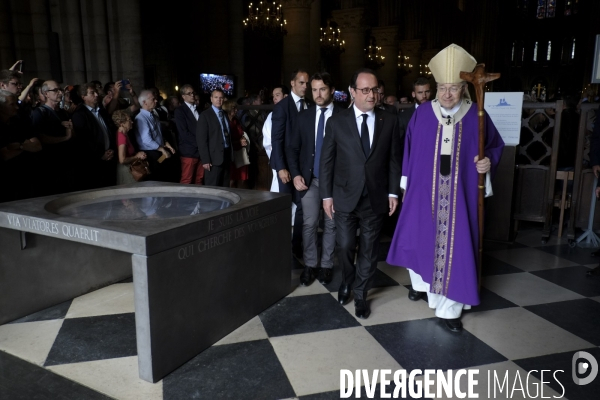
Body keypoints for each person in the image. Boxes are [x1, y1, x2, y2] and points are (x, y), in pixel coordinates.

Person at [386, 44, 505, 333]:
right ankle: (427, 290)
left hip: (460, 197)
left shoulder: (477, 115)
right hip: (424, 194)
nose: (447, 94)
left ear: (464, 89)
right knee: (422, 240)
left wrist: (487, 163)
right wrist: (405, 186)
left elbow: (493, 146)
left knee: (457, 248)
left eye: (453, 88)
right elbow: (410, 151)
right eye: (442, 88)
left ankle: (449, 310)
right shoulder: (423, 114)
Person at [320, 68, 401, 319]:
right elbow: (327, 162)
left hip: (375, 197)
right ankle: (347, 280)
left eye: (375, 89)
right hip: (344, 196)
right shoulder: (336, 122)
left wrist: (393, 192)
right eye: (365, 90)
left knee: (369, 249)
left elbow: (393, 161)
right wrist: (326, 196)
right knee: (344, 245)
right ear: (352, 92)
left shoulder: (389, 120)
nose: (372, 95)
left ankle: (361, 293)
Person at [287, 72, 341, 286]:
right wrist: (296, 174)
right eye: (314, 89)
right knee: (309, 224)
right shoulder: (304, 117)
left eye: (323, 89)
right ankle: (310, 264)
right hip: (310, 179)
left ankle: (326, 265)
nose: (318, 94)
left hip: (335, 182)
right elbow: (292, 149)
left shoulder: (344, 116)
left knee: (331, 224)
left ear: (332, 90)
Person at [271, 69, 313, 257]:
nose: (305, 86)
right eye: (302, 83)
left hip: (303, 165)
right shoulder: (282, 107)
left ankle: (297, 246)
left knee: (303, 207)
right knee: (285, 207)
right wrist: (281, 168)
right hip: (286, 166)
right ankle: (279, 245)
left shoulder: (310, 105)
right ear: (293, 83)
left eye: (307, 83)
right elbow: (277, 139)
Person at [71, 82, 117, 190]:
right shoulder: (80, 114)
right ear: (83, 96)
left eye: (96, 92)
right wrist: (101, 154)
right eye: (92, 93)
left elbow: (111, 131)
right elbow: (84, 140)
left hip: (109, 159)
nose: (96, 95)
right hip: (94, 163)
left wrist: (112, 149)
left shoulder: (102, 111)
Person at [134, 89, 176, 182]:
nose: (156, 101)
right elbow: (146, 140)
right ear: (144, 102)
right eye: (153, 99)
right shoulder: (141, 118)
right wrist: (161, 149)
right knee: (156, 180)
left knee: (164, 178)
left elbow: (158, 134)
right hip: (150, 154)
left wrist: (166, 143)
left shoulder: (154, 116)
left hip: (158, 150)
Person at [197, 89, 233, 187]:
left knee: (225, 186)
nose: (218, 100)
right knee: (213, 187)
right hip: (213, 158)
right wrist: (205, 160)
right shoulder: (205, 115)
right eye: (216, 97)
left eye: (221, 98)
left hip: (226, 155)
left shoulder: (224, 114)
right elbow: (201, 140)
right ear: (211, 99)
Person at [174, 84, 204, 185]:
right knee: (187, 180)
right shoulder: (180, 111)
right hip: (189, 151)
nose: (192, 95)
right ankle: (184, 201)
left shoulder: (199, 110)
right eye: (189, 93)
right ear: (183, 96)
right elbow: (184, 133)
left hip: (201, 152)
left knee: (199, 179)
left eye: (193, 93)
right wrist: (200, 144)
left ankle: (198, 201)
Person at [263, 85, 288, 192]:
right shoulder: (271, 115)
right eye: (273, 96)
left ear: (286, 96)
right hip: (279, 157)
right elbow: (268, 140)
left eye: (277, 95)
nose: (274, 98)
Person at [113, 110, 147, 184]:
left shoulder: (125, 134)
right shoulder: (122, 137)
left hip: (129, 168)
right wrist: (137, 156)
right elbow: (122, 160)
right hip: (126, 171)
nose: (132, 122)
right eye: (129, 120)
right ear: (121, 124)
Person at [223, 100, 249, 188]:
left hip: (239, 153)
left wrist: (243, 138)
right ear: (229, 109)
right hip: (231, 154)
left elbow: (240, 132)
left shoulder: (236, 120)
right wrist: (238, 142)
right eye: (234, 109)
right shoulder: (225, 121)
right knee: (231, 179)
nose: (236, 110)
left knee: (241, 178)